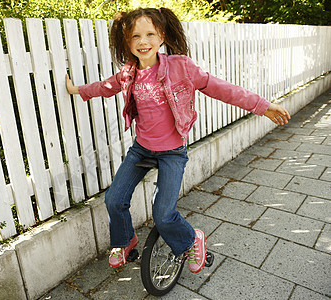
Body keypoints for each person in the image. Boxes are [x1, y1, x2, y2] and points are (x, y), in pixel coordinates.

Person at [66, 7, 290, 272]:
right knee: (114, 199)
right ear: (127, 41)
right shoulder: (128, 74)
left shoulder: (180, 67)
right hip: (141, 151)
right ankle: (125, 240)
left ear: (161, 35)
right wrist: (77, 90)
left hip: (172, 152)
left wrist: (263, 106)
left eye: (150, 34)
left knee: (162, 214)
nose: (143, 41)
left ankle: (190, 240)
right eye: (135, 36)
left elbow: (222, 89)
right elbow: (104, 87)